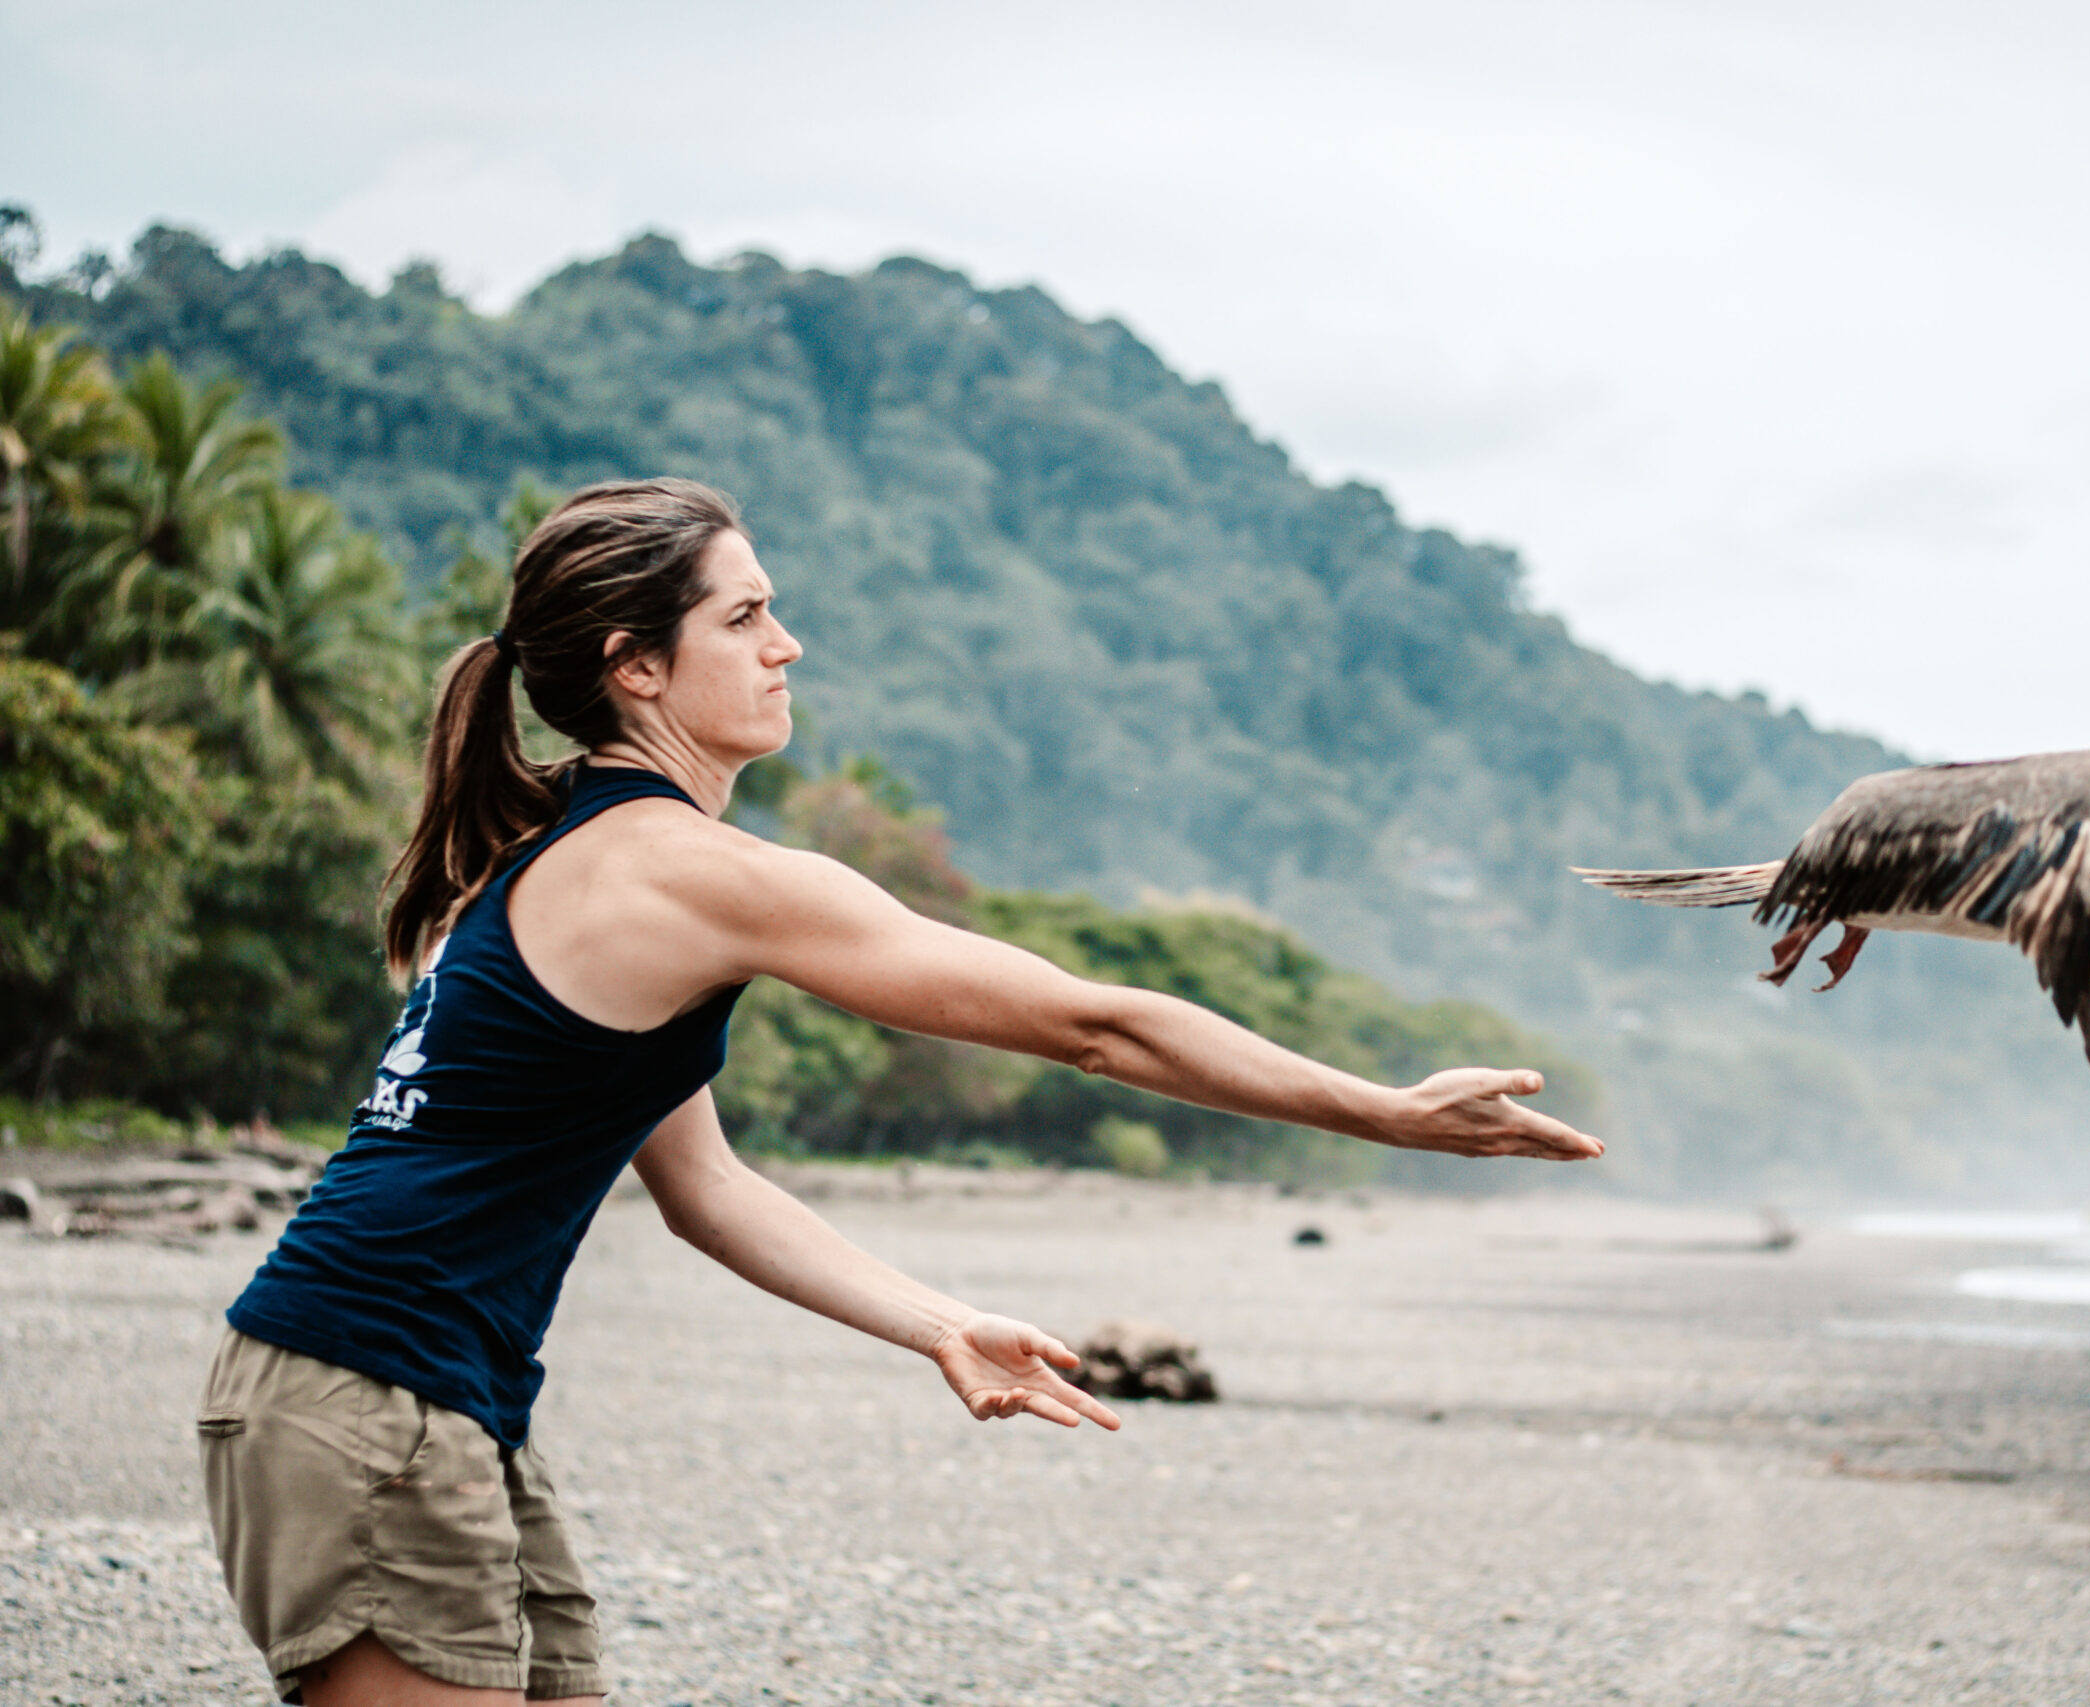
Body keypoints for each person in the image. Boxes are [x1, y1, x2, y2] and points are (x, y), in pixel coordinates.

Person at [197, 478, 1602, 1705]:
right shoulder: (679, 874)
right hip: (363, 1395)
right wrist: (1386, 1110)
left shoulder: (582, 853)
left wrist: (939, 1324)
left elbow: (708, 1191)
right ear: (635, 666)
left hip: (429, 1396)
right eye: (744, 618)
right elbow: (1095, 1028)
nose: (785, 643)